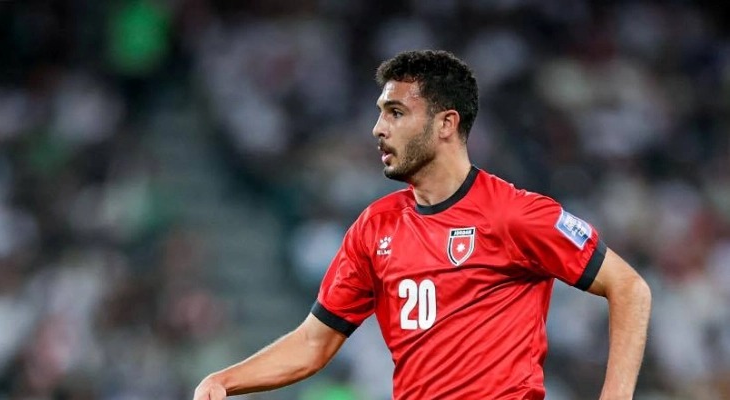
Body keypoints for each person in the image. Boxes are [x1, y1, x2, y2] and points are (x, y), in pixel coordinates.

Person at [193, 50, 652, 399]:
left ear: (446, 123)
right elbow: (314, 343)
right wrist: (224, 380)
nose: (378, 128)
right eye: (380, 112)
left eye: (395, 112)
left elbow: (629, 288)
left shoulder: (514, 213)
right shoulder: (375, 227)